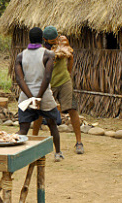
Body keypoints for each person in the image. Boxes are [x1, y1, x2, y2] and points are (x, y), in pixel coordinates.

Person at [32, 26, 84, 154]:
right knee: (39, 111)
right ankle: (33, 140)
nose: (55, 41)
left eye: (56, 39)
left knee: (72, 109)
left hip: (64, 81)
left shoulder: (62, 43)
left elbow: (70, 57)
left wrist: (68, 74)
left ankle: (79, 142)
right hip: (48, 83)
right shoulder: (41, 50)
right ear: (45, 39)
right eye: (52, 40)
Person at [14, 27, 63, 161]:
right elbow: (47, 78)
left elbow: (19, 79)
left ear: (29, 38)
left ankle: (14, 152)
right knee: (52, 125)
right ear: (42, 38)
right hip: (44, 96)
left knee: (23, 129)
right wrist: (39, 97)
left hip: (26, 97)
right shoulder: (48, 54)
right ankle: (58, 153)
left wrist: (31, 97)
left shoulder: (20, 56)